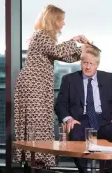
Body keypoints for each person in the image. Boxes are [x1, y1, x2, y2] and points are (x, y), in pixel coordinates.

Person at [13, 4, 92, 167]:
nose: (64, 23)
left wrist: (86, 49)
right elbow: (58, 51)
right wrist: (75, 40)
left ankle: (39, 161)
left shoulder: (45, 38)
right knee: (36, 122)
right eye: (62, 20)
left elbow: (65, 56)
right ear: (54, 20)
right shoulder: (40, 35)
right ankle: (35, 160)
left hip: (40, 85)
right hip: (32, 85)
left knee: (42, 122)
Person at [55, 45, 112, 173]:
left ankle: (110, 168)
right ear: (81, 63)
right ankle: (83, 170)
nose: (88, 67)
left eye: (91, 63)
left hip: (105, 120)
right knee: (75, 134)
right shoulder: (69, 79)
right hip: (80, 121)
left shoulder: (109, 78)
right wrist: (69, 119)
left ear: (97, 64)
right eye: (85, 63)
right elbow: (60, 104)